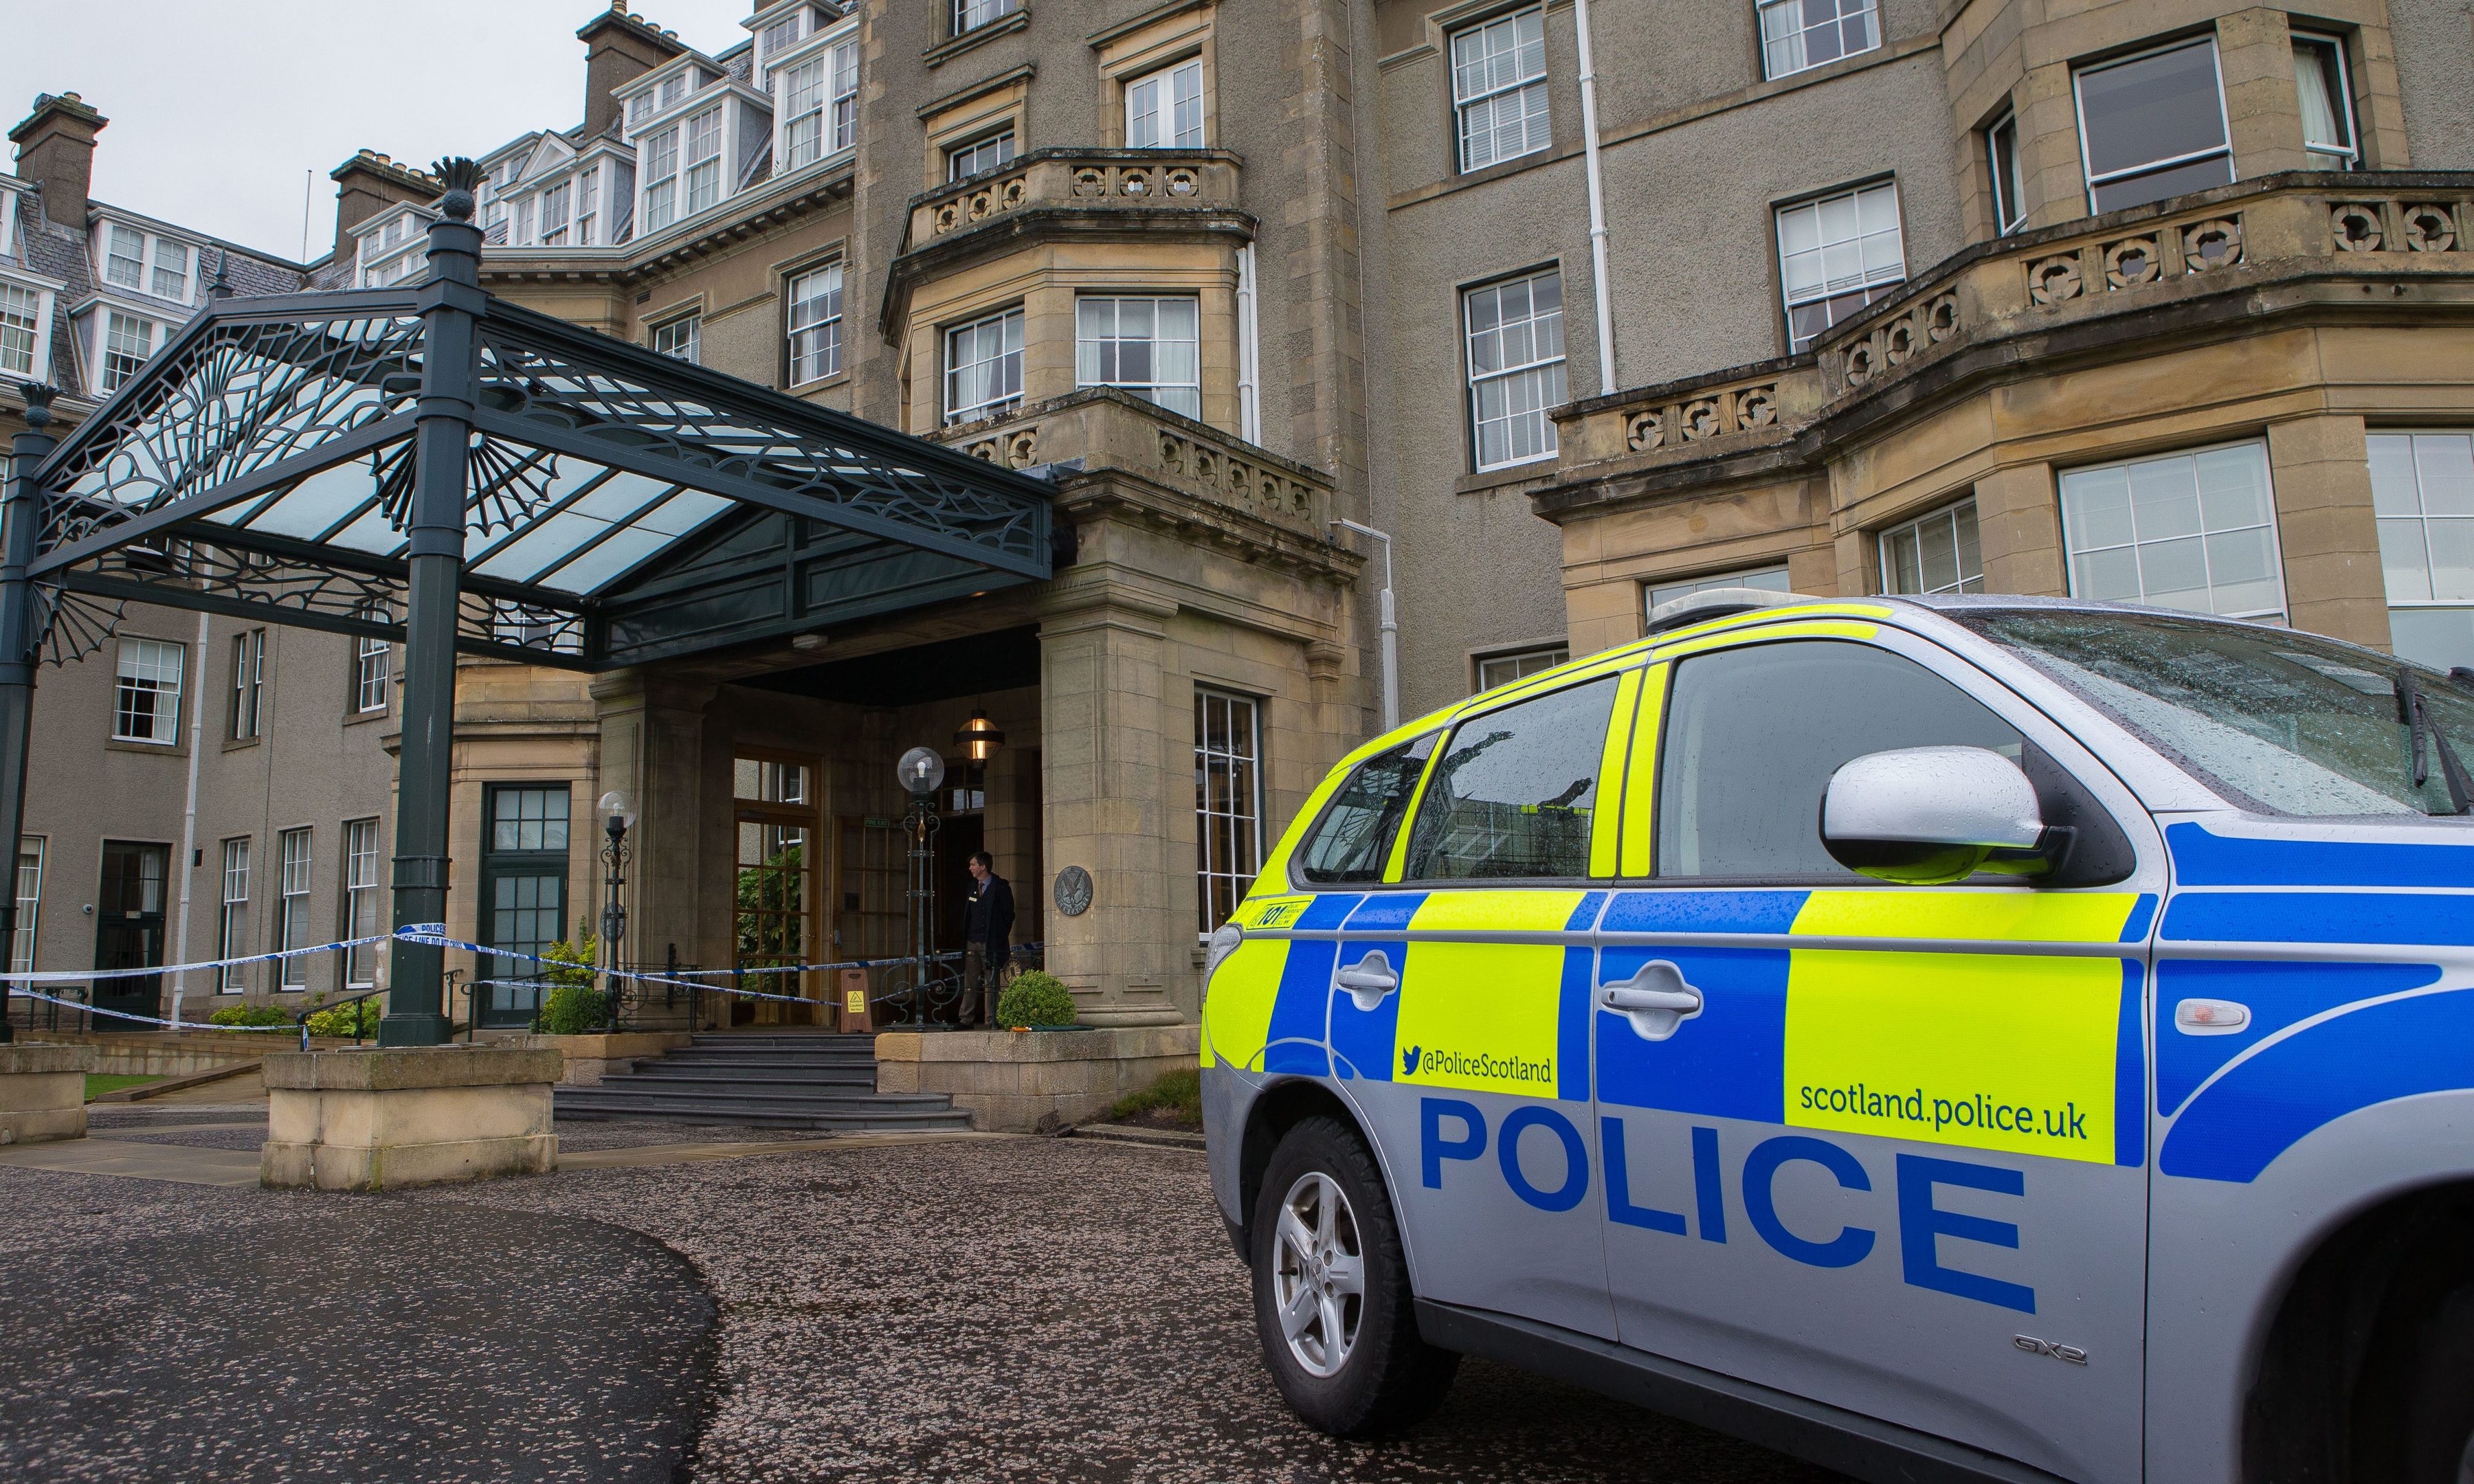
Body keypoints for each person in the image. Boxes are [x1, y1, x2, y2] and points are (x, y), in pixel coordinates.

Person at [958, 850, 1014, 1028]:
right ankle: (966, 1019)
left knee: (992, 982)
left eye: (973, 865)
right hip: (972, 941)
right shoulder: (971, 887)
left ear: (983, 867)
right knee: (970, 981)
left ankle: (992, 1019)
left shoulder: (1001, 887)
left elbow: (1008, 915)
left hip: (991, 942)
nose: (970, 868)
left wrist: (999, 936)